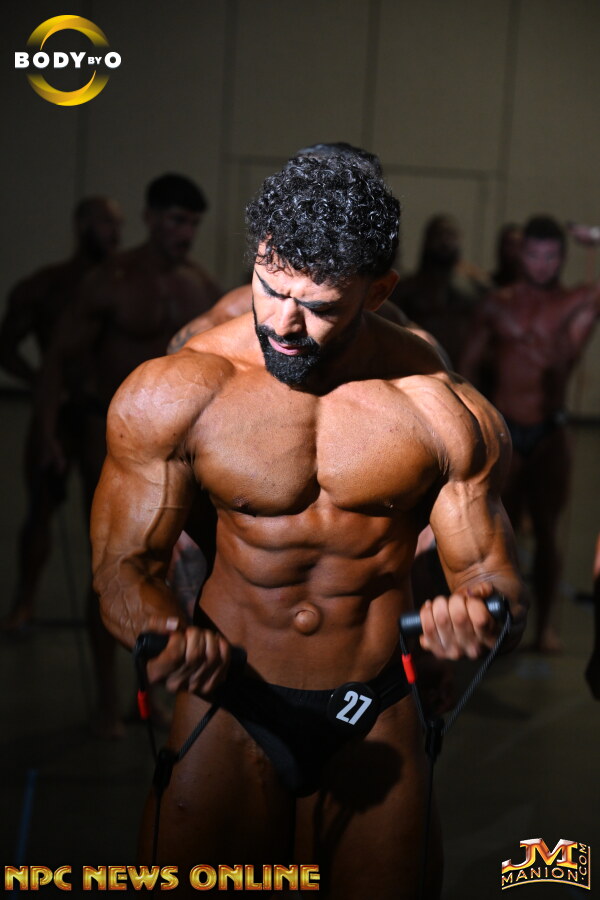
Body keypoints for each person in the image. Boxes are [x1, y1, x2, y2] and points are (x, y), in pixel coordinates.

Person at [91, 156, 527, 899]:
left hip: (374, 701)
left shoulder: (439, 407)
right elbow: (122, 567)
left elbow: (494, 579)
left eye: (320, 306)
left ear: (378, 292)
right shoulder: (182, 389)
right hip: (231, 699)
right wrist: (161, 629)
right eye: (270, 287)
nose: (284, 324)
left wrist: (480, 615)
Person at [37, 173, 222, 737]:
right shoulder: (109, 282)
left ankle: (155, 694)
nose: (184, 233)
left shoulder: (200, 286)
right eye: (175, 221)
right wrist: (48, 434)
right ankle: (106, 700)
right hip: (111, 436)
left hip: (181, 447)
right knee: (116, 565)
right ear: (150, 218)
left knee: (177, 570)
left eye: (192, 224)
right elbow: (57, 359)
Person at [461, 215, 599, 653]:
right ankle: (503, 625)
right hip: (504, 430)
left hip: (550, 431)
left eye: (551, 256)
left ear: (563, 257)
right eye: (534, 254)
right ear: (521, 255)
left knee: (547, 530)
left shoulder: (577, 300)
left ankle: (545, 628)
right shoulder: (496, 305)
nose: (542, 264)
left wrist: (596, 237)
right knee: (502, 535)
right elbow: (465, 368)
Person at [0, 196, 123, 631]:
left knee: (103, 520)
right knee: (40, 508)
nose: (115, 233)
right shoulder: (45, 286)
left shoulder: (122, 284)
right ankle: (25, 601)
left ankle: (103, 610)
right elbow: (6, 346)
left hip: (98, 415)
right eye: (106, 223)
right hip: (56, 411)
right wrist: (40, 383)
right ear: (83, 224)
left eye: (119, 224)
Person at [390, 213, 488, 368]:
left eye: (450, 236)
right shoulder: (406, 288)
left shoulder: (471, 289)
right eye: (439, 235)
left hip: (459, 367)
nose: (445, 241)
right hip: (415, 364)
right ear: (428, 240)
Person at [490, 222, 523, 288]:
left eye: (520, 245)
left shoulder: (534, 286)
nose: (515, 250)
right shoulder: (489, 283)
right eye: (511, 245)